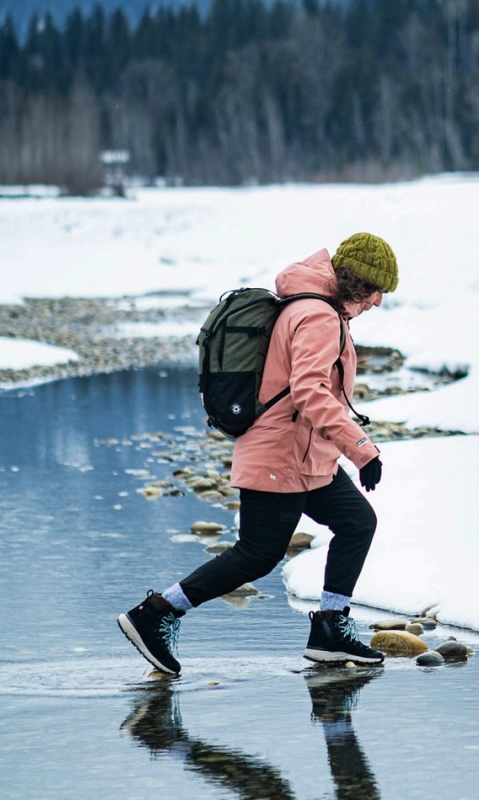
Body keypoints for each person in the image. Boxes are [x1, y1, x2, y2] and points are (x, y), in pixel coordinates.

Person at [118, 233, 399, 675]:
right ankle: (156, 612)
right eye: (373, 290)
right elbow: (310, 392)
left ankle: (329, 627)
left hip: (309, 457)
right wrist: (362, 448)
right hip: (281, 456)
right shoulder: (317, 316)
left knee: (356, 521)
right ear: (352, 281)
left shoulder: (312, 307)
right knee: (256, 555)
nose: (378, 301)